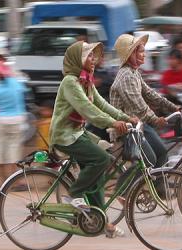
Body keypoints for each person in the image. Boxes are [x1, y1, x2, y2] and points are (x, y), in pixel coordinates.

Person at [49, 41, 136, 237]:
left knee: (102, 163)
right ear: (77, 60)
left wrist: (124, 117)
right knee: (101, 159)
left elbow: (102, 104)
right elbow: (87, 110)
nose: (94, 60)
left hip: (78, 132)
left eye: (93, 56)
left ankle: (101, 220)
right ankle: (74, 194)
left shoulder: (85, 80)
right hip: (65, 135)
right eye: (89, 56)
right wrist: (112, 124)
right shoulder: (70, 82)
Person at [110, 33, 179, 171]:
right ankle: (124, 190)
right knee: (149, 161)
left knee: (162, 153)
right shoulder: (126, 76)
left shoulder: (135, 72)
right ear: (130, 55)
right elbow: (138, 105)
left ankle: (158, 191)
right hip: (126, 129)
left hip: (139, 125)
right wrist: (155, 120)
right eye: (141, 51)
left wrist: (173, 107)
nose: (144, 54)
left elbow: (149, 94)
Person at [0, 60, 26, 182]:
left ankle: (2, 180)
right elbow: (23, 92)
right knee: (14, 150)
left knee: (0, 150)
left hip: (1, 120)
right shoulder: (17, 84)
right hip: (17, 119)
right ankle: (16, 181)